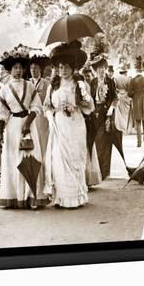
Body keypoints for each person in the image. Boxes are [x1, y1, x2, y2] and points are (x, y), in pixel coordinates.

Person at [0, 44, 48, 209]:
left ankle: (32, 196)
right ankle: (16, 197)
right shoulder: (4, 90)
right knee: (14, 160)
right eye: (15, 68)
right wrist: (1, 134)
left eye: (20, 68)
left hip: (28, 125)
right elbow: (1, 113)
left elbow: (36, 107)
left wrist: (27, 123)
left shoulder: (29, 86)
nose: (18, 71)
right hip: (12, 127)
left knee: (32, 157)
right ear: (10, 70)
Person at [43, 41, 95, 208]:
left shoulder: (80, 85)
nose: (62, 71)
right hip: (59, 126)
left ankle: (75, 196)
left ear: (73, 67)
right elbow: (46, 106)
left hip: (75, 125)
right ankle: (62, 197)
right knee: (58, 159)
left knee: (75, 158)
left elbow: (90, 106)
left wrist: (76, 106)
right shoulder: (54, 85)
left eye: (65, 67)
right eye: (59, 67)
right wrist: (52, 114)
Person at [86, 51, 119, 181]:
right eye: (98, 69)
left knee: (105, 142)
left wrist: (111, 108)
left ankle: (105, 171)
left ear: (105, 69)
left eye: (102, 68)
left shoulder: (110, 82)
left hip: (106, 114)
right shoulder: (92, 82)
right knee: (96, 141)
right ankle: (97, 171)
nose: (101, 71)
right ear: (95, 70)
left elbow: (115, 98)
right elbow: (88, 99)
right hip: (94, 114)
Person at [27, 50, 51, 162]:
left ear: (40, 69)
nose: (33, 70)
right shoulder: (27, 83)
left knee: (43, 140)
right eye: (31, 68)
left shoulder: (46, 83)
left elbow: (49, 100)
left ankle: (44, 163)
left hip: (42, 116)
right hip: (30, 116)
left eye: (36, 67)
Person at [130, 56, 144, 147]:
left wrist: (134, 95)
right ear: (142, 71)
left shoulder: (133, 80)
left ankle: (139, 142)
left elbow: (129, 93)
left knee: (138, 122)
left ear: (136, 71)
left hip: (136, 101)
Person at [114, 61, 133, 134]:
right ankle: (126, 128)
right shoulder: (128, 79)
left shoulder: (116, 78)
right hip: (126, 96)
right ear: (125, 72)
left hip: (119, 96)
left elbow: (115, 88)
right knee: (126, 113)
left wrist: (118, 91)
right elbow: (129, 89)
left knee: (120, 113)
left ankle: (121, 128)